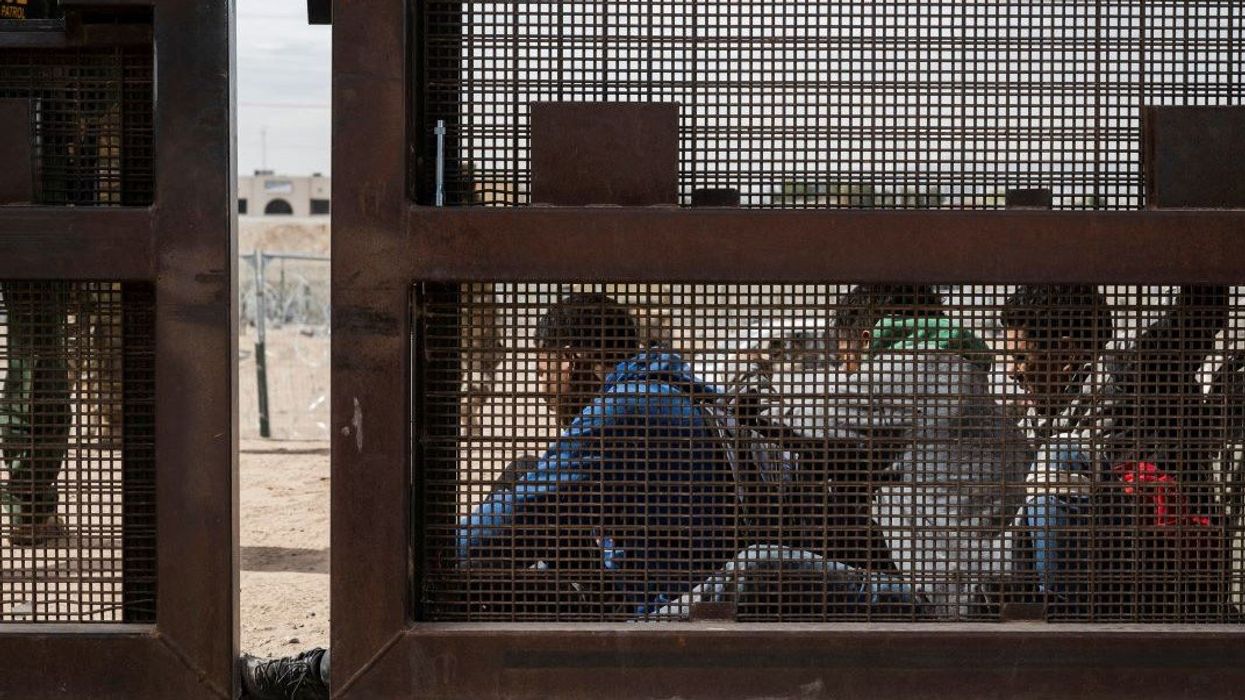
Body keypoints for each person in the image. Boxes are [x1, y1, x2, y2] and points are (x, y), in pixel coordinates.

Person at [457, 292, 738, 614]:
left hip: (651, 610)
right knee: (526, 471)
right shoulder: (666, 390)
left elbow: (524, 510)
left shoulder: (625, 407)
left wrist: (433, 552)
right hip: (657, 584)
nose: (543, 390)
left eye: (542, 373)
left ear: (570, 361)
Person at [759, 285, 1030, 618]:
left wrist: (749, 385)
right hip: (983, 591)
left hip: (944, 599)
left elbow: (787, 415)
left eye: (847, 359)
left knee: (752, 570)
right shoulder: (972, 385)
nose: (848, 371)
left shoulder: (911, 368)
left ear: (865, 338)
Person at [1000, 285, 1229, 613]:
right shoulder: (1036, 421)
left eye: (1021, 358)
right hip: (1096, 570)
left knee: (1058, 456)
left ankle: (1067, 625)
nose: (1013, 371)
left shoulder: (1132, 369)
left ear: (1066, 355)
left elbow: (1198, 314)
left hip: (1157, 560)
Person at [1, 282, 71, 547]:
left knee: (26, 369)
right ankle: (30, 513)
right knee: (42, 387)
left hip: (22, 260)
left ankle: (29, 508)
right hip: (48, 262)